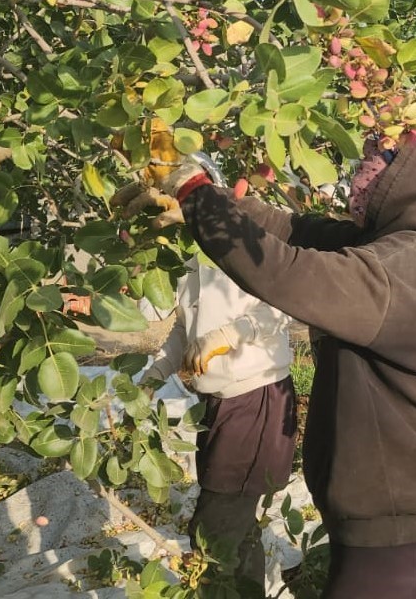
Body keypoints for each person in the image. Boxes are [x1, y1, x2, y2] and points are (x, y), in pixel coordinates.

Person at [112, 114, 416, 598]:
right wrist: (204, 201)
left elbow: (283, 271)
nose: (368, 167)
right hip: (401, 542)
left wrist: (193, 190)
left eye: (387, 156)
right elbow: (294, 230)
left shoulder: (409, 268)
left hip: (403, 556)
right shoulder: (415, 251)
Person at [140, 253, 298, 591]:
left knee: (214, 529)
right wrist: (156, 372)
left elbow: (279, 307)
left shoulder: (242, 244)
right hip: (216, 403)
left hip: (256, 398)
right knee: (236, 523)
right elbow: (184, 328)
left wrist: (229, 333)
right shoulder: (185, 259)